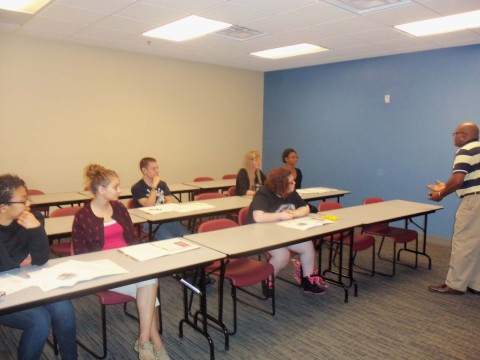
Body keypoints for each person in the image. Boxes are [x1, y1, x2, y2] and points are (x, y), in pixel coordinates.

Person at [72, 164, 169, 360]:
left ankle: (145, 341)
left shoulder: (119, 208)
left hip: (129, 264)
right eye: (115, 187)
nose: (120, 191)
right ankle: (154, 341)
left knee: (148, 279)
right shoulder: (83, 216)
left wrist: (135, 258)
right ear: (101, 190)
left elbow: (132, 239)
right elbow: (81, 254)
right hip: (103, 271)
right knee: (149, 284)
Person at [0, 174, 78, 360]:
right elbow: (6, 266)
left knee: (63, 307)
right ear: (3, 207)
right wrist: (18, 262)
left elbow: (41, 258)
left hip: (24, 282)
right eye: (23, 200)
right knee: (39, 320)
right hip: (4, 293)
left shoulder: (31, 219)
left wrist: (36, 229)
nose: (29, 204)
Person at [247, 168, 326, 295]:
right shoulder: (264, 193)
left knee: (307, 246)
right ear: (280, 184)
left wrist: (295, 213)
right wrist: (281, 216)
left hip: (283, 231)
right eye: (291, 182)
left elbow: (305, 208)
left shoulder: (290, 192)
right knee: (282, 256)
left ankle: (307, 281)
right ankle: (268, 278)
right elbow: (258, 217)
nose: (294, 183)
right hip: (261, 233)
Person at [427, 122, 480, 295]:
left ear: (464, 135)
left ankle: (455, 285)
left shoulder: (465, 150)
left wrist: (441, 193)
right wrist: (445, 186)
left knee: (463, 243)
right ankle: (475, 283)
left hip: (474, 202)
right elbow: (468, 180)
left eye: (455, 134)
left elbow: (457, 181)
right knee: (476, 244)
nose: (453, 137)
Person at [131, 157, 189, 240]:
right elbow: (149, 206)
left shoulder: (162, 184)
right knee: (170, 240)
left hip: (166, 217)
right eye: (153, 169)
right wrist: (154, 186)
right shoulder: (137, 187)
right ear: (144, 170)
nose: (157, 171)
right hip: (150, 222)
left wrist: (161, 210)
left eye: (157, 168)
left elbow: (170, 200)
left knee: (187, 236)